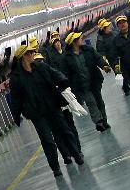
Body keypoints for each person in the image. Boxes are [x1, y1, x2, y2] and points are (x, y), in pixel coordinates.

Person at [9, 43, 84, 177]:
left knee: (65, 131)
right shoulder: (16, 78)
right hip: (36, 113)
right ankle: (55, 167)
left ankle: (76, 154)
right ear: (22, 58)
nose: (32, 55)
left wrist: (63, 83)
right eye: (28, 53)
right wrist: (16, 115)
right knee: (47, 140)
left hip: (52, 106)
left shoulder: (40, 67)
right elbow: (16, 98)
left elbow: (56, 74)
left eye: (32, 52)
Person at [61, 31, 111, 131]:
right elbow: (65, 73)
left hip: (94, 81)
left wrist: (104, 65)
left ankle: (104, 121)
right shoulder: (66, 58)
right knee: (91, 102)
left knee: (99, 101)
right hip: (81, 86)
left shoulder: (88, 50)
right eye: (79, 38)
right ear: (74, 42)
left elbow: (98, 58)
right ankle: (98, 122)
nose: (81, 39)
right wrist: (66, 85)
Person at [96, 18, 130, 96]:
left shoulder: (115, 32)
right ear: (103, 29)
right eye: (107, 27)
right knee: (119, 73)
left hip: (123, 56)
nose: (110, 27)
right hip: (113, 59)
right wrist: (104, 63)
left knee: (129, 71)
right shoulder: (100, 39)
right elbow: (101, 52)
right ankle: (126, 89)